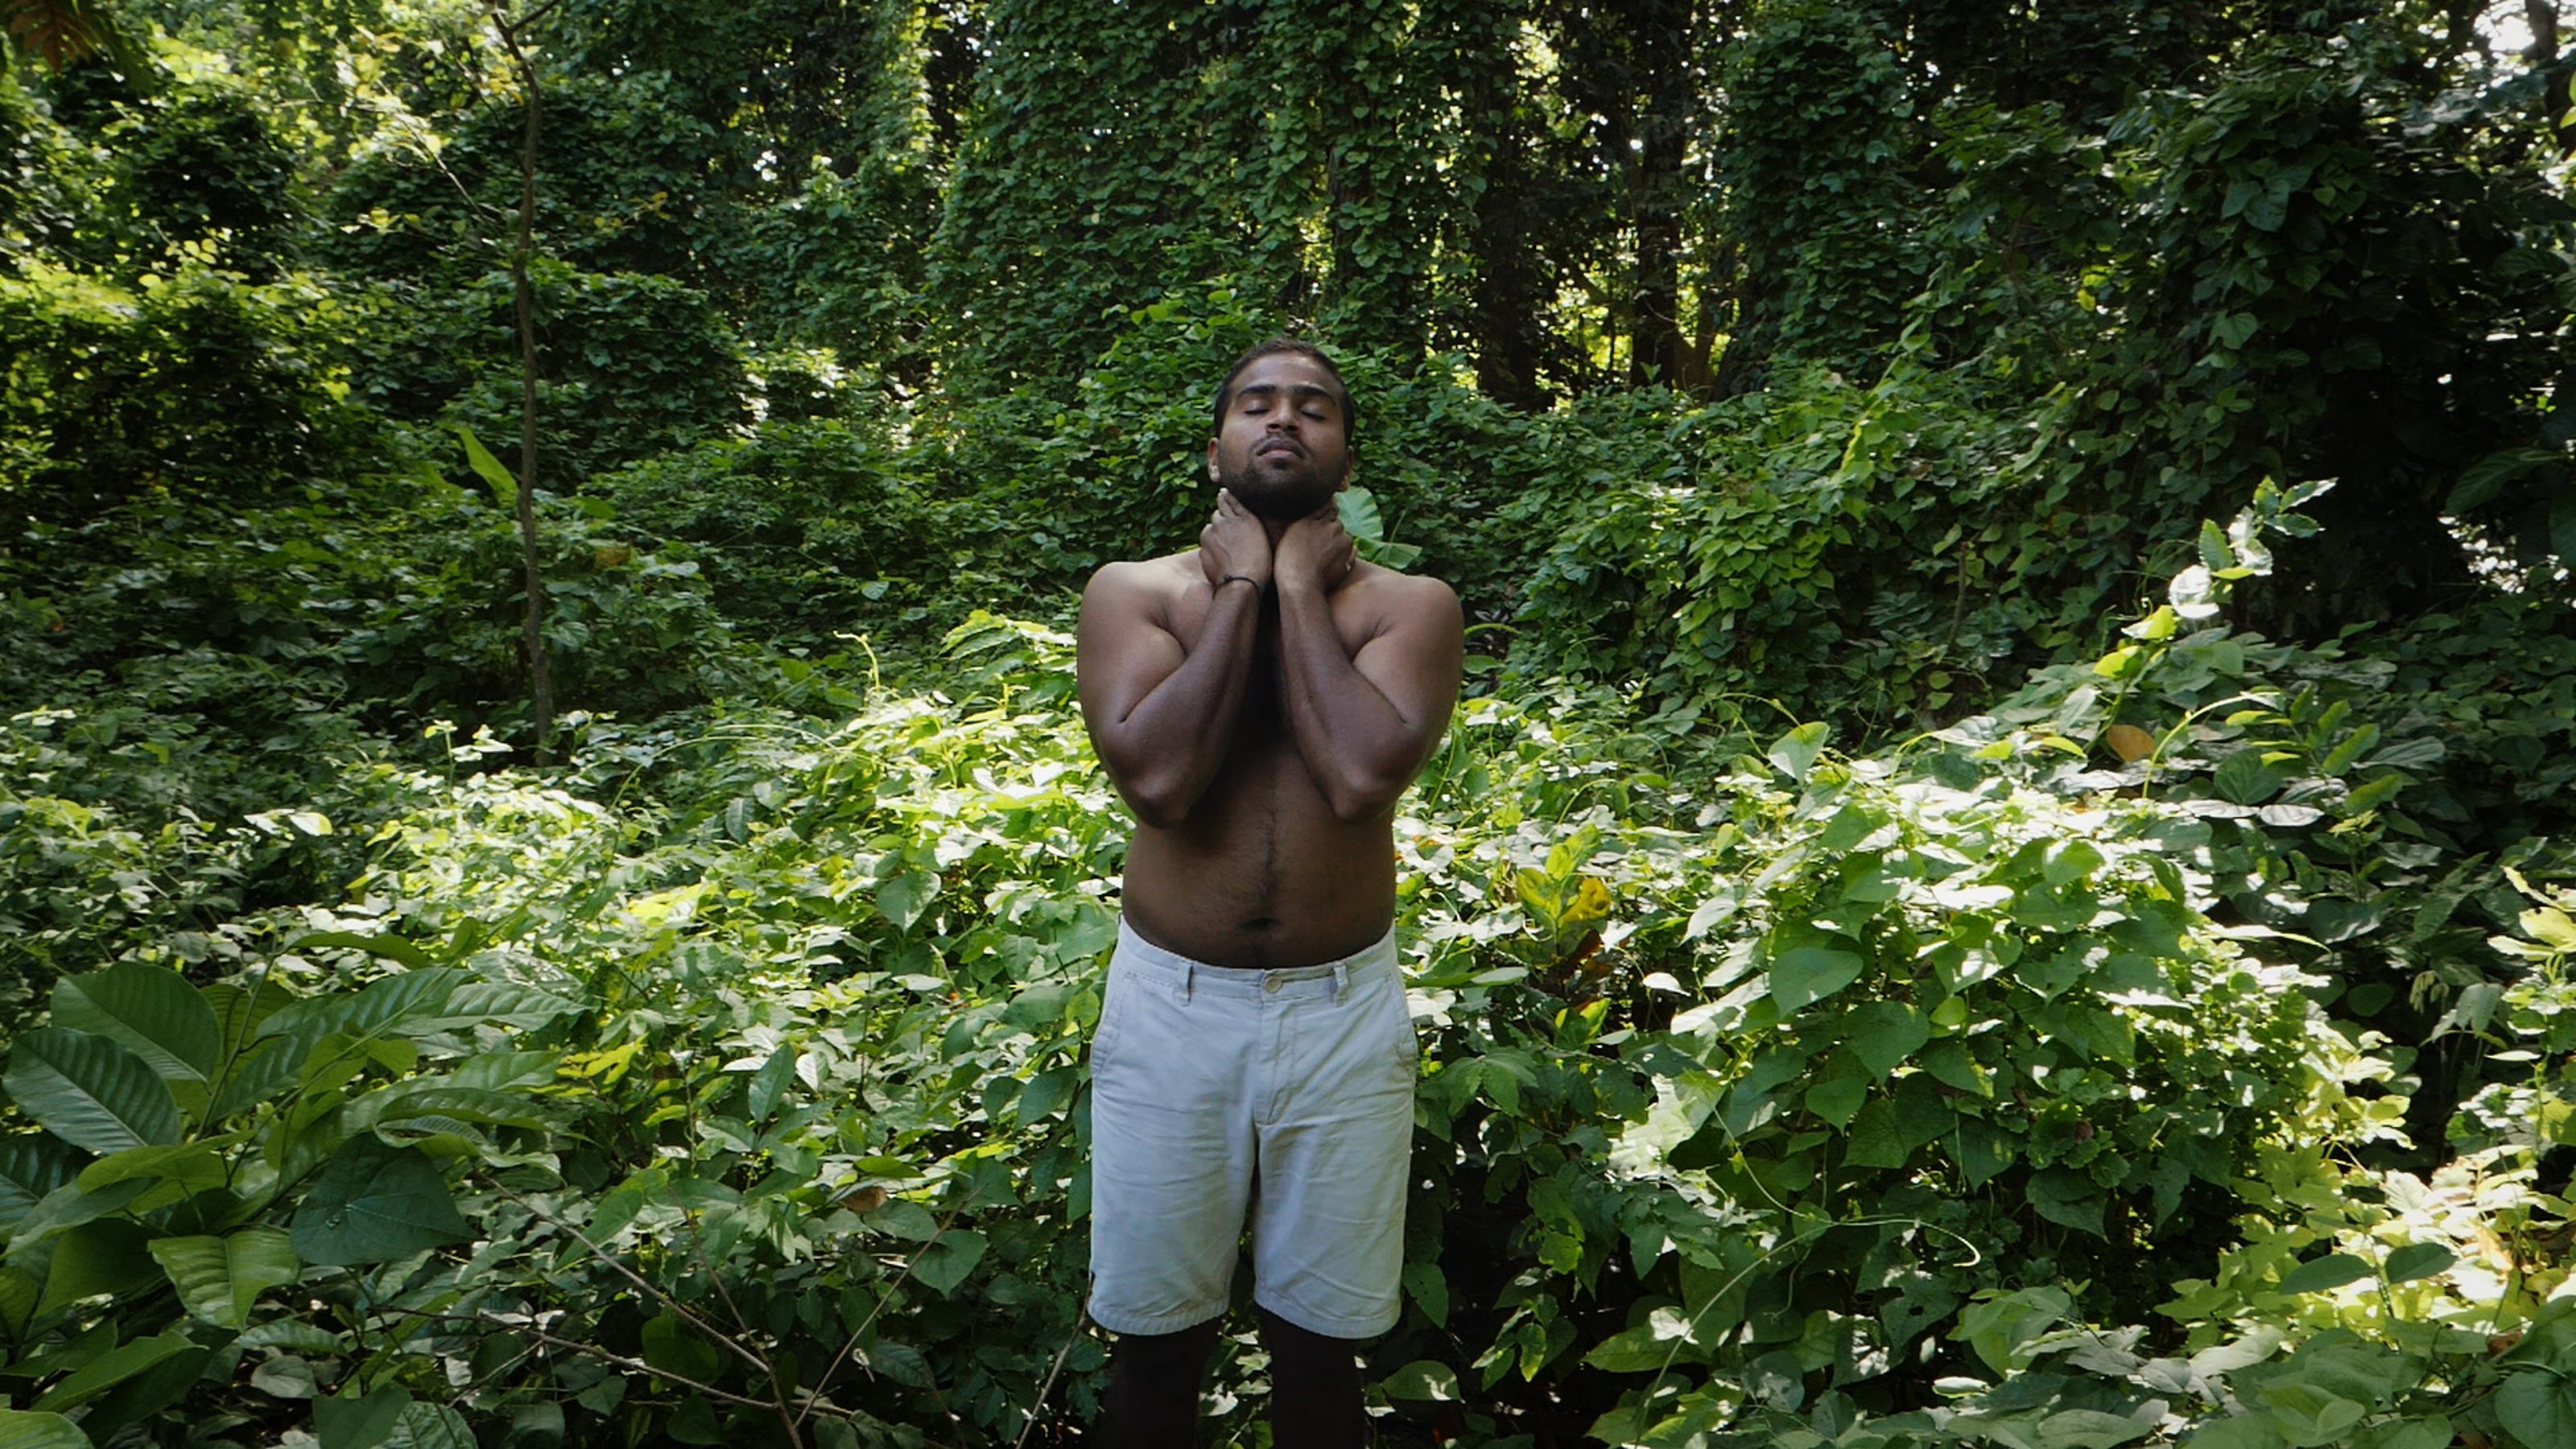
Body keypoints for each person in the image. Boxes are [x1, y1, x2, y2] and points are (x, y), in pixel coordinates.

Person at [1075, 337, 1464, 1446]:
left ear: (1346, 459)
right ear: (1217, 451)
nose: (1283, 420)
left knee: (1320, 1350)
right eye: (1257, 405)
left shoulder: (1412, 606)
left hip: (1342, 1012)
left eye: (1314, 409)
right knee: (1154, 1346)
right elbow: (1160, 780)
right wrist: (1244, 582)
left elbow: (1355, 775)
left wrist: (1290, 580)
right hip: (1172, 1009)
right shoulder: (1134, 594)